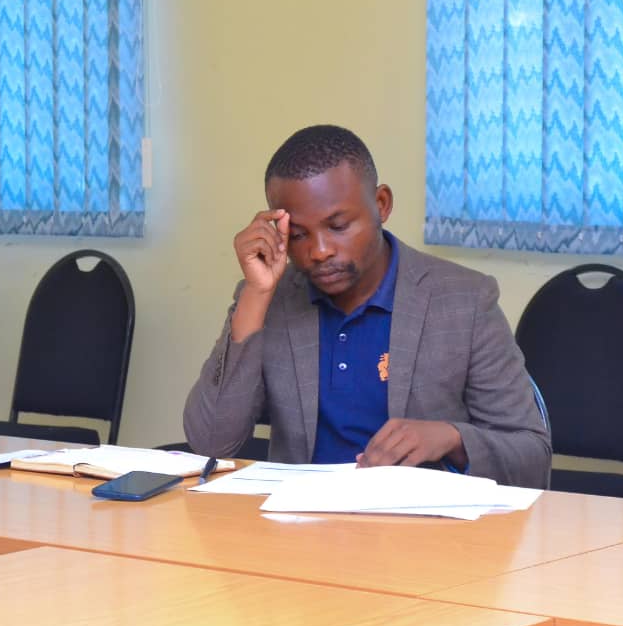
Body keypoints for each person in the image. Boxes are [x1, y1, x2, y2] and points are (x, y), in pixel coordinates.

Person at [183, 125, 550, 487]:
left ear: (381, 204)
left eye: (338, 226)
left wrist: (451, 438)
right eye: (298, 235)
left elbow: (531, 457)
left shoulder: (465, 300)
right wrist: (256, 294)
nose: (319, 251)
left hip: (418, 519)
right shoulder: (270, 300)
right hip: (297, 517)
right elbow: (211, 443)